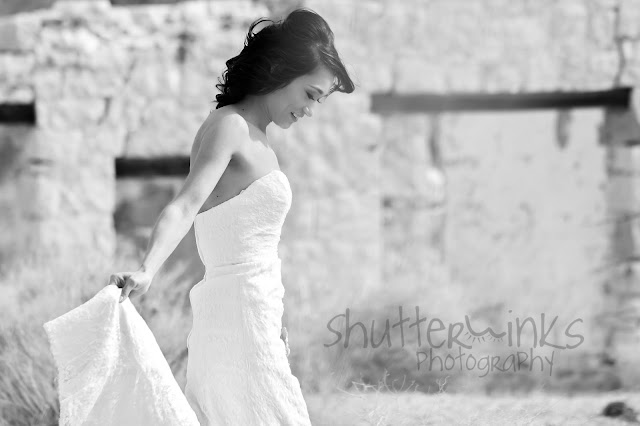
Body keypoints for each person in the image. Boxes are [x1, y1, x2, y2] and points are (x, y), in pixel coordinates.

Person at [44, 7, 354, 426]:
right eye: (311, 94)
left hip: (250, 314)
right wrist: (148, 268)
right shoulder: (231, 127)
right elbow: (185, 205)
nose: (311, 110)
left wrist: (273, 321)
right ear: (280, 70)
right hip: (239, 318)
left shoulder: (255, 136)